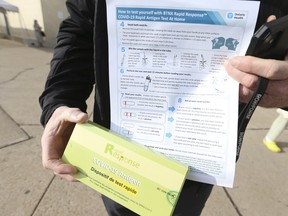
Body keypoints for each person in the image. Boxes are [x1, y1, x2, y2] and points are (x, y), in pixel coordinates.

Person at [39, 0, 288, 215]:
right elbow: (82, 26)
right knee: (120, 209)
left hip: (196, 160)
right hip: (115, 149)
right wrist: (59, 101)